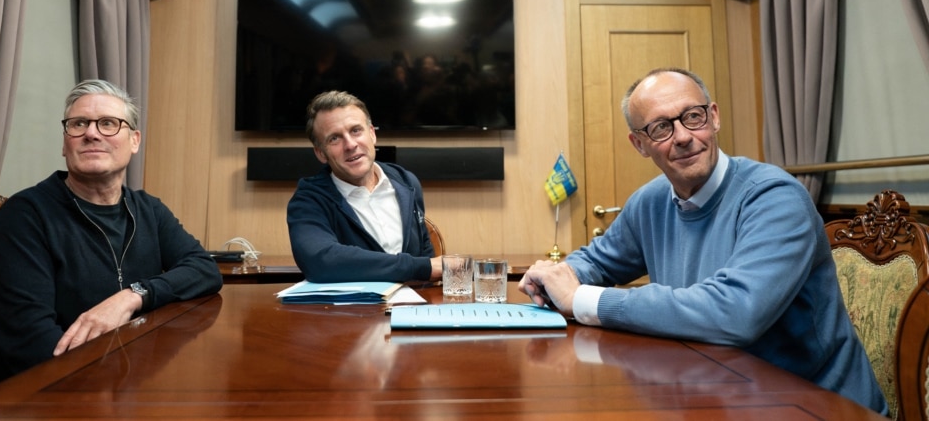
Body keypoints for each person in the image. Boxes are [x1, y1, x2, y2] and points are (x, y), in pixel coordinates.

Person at [519, 67, 887, 415]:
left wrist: (581, 298)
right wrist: (556, 276)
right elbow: (599, 261)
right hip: (718, 395)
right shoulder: (650, 202)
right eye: (661, 128)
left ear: (714, 116)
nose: (682, 136)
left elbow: (737, 312)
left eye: (692, 117)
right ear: (640, 144)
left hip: (818, 406)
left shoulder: (774, 197)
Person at [0, 79, 222, 389]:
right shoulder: (26, 216)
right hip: (45, 395)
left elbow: (203, 269)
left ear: (134, 140)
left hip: (127, 382)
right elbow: (35, 349)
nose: (91, 133)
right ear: (65, 143)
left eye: (108, 123)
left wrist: (131, 296)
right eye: (78, 124)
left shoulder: (149, 209)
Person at [287, 90, 442, 283]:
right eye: (334, 138)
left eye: (355, 130)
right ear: (321, 153)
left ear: (372, 134)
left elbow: (425, 255)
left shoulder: (407, 182)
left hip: (411, 307)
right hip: (352, 311)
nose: (350, 144)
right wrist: (420, 268)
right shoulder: (308, 200)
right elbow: (321, 260)